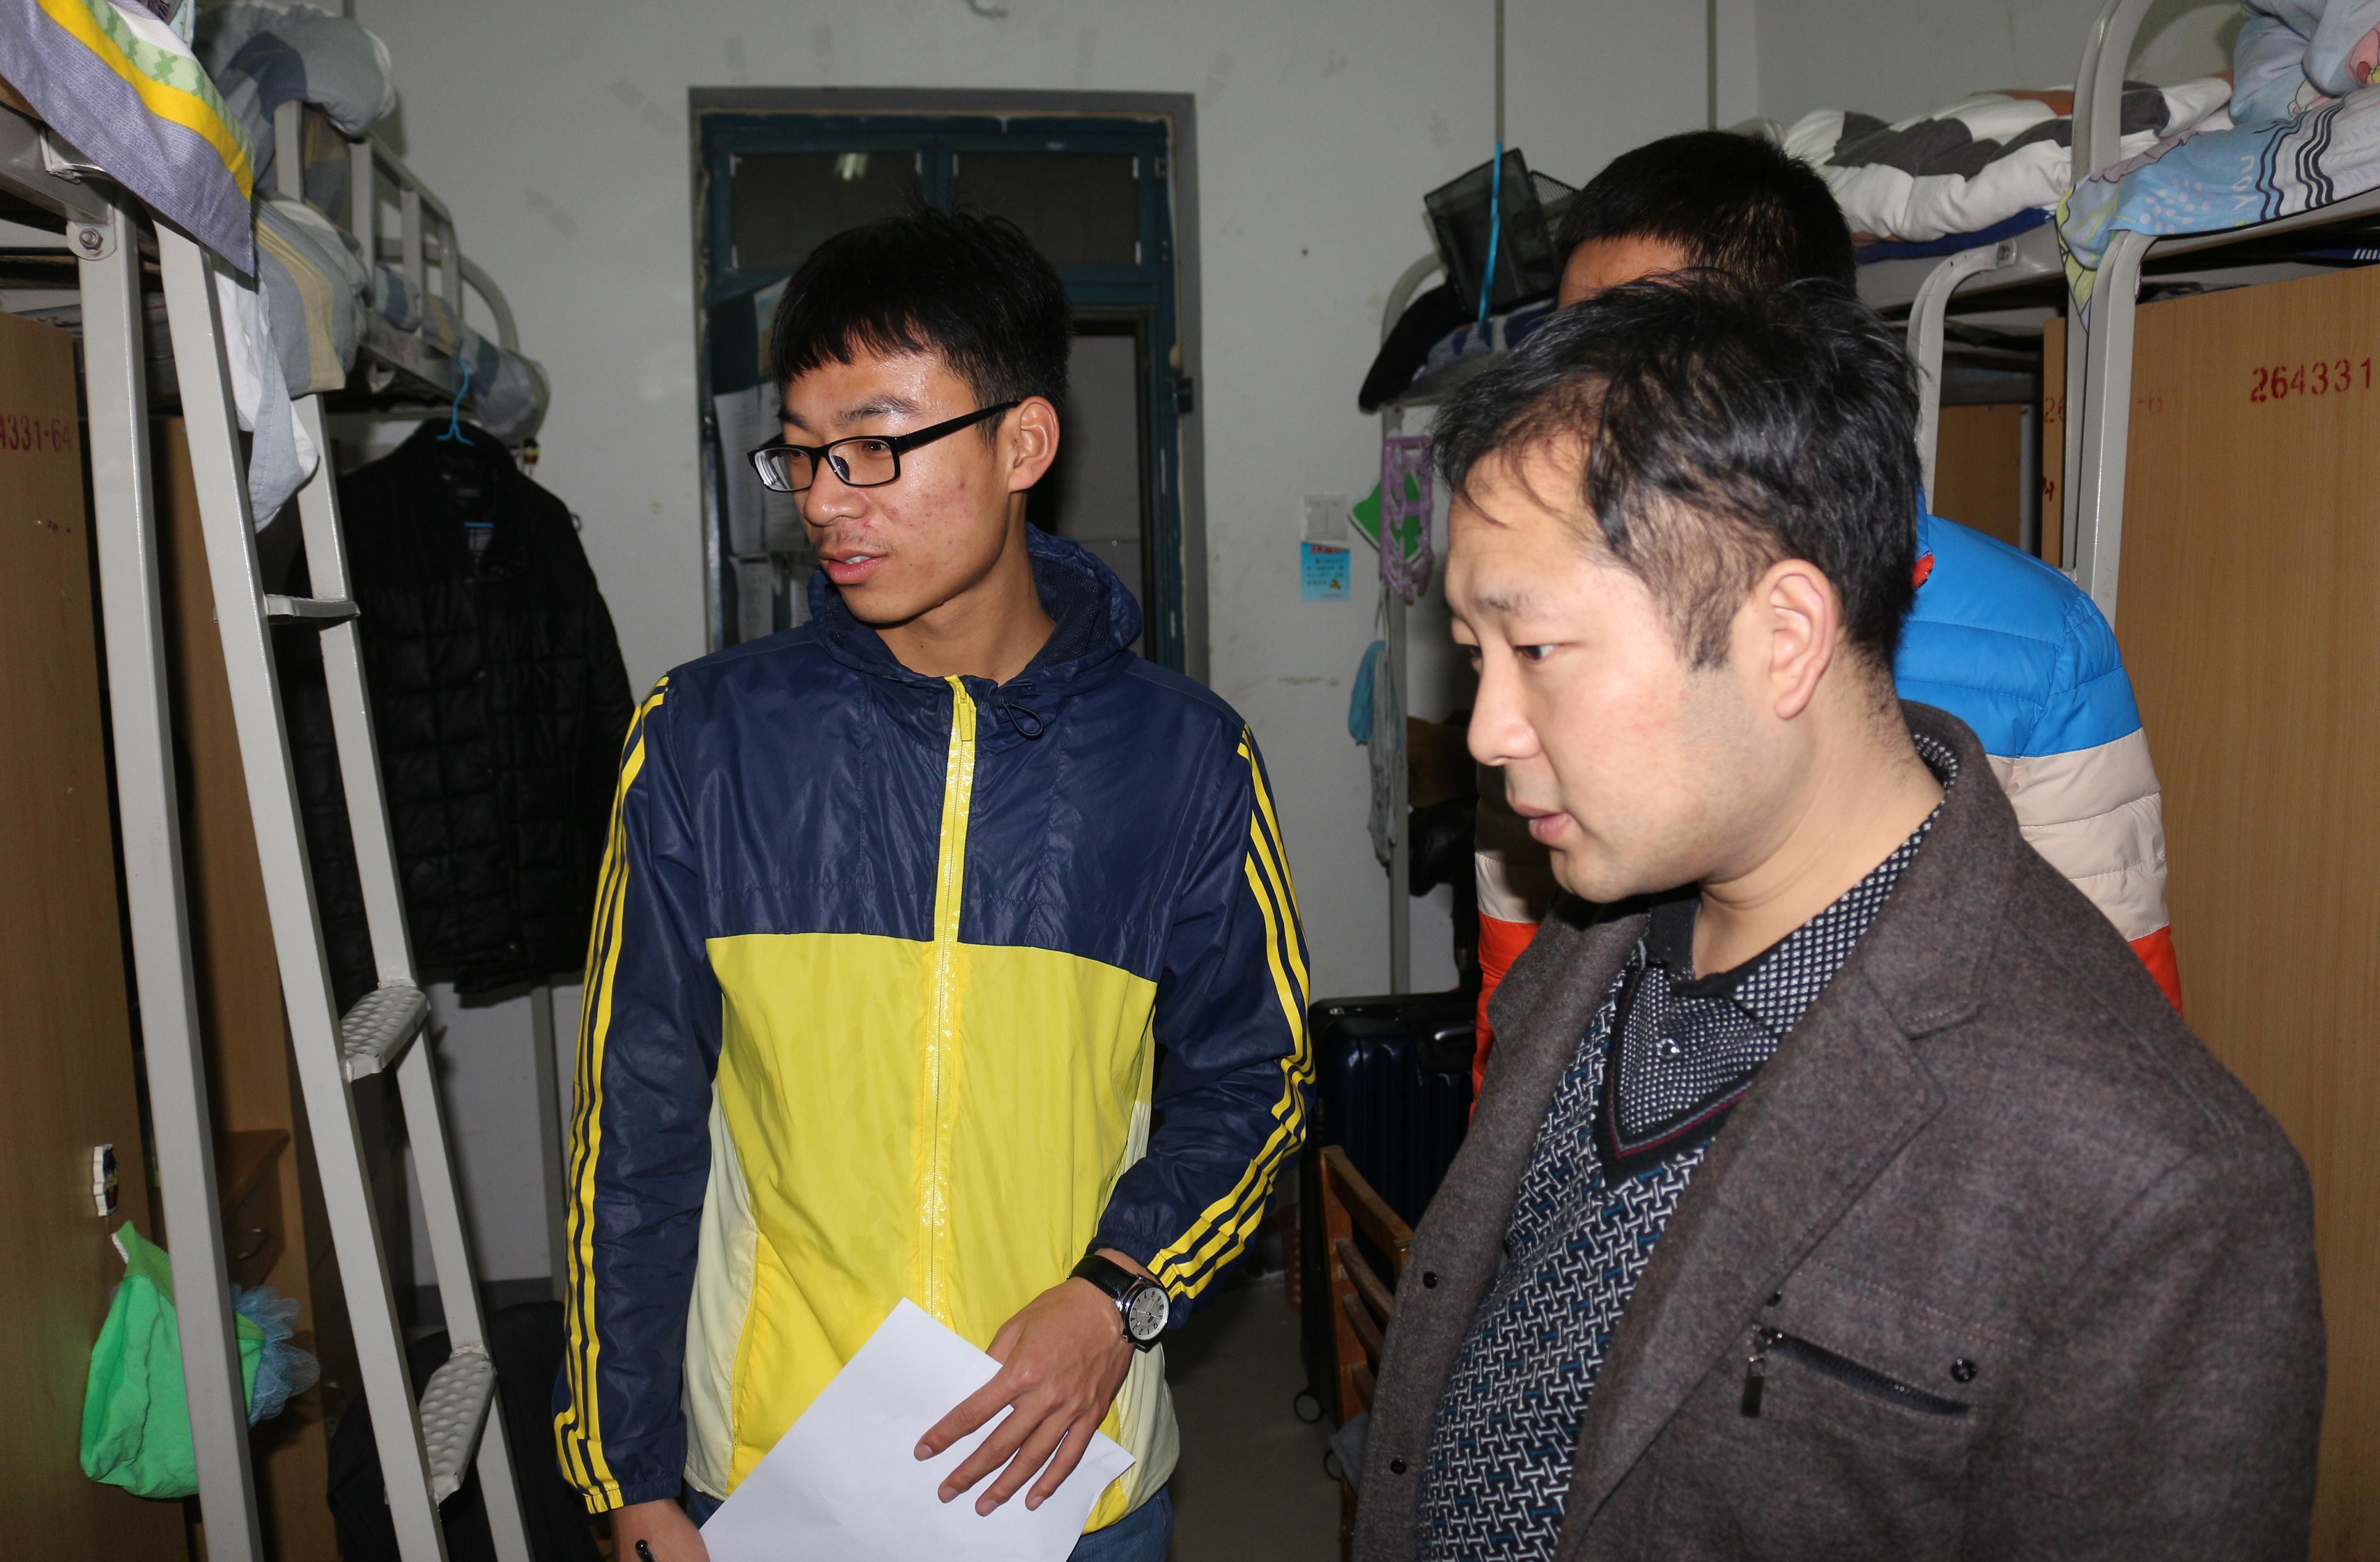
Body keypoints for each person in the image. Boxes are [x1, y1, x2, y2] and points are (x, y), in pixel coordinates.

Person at [1358, 276, 2323, 1560]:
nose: (1485, 733)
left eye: (1534, 652)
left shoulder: (2159, 1188)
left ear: (1786, 636)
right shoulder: (1590, 939)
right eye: (1476, 657)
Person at [554, 208, 1312, 1561]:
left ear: (1024, 443)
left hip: (1068, 1474)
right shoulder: (707, 740)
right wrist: (626, 1471)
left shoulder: (1182, 758)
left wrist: (1121, 1295)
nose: (824, 498)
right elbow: (635, 1124)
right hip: (768, 1471)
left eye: (874, 445)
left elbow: (1257, 1081)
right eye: (802, 453)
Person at [1472, 130, 2180, 1101]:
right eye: (1570, 349)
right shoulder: (1536, 644)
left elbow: (2119, 1023)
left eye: (1639, 352)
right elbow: (1518, 1009)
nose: (1579, 399)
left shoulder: (2040, 645)